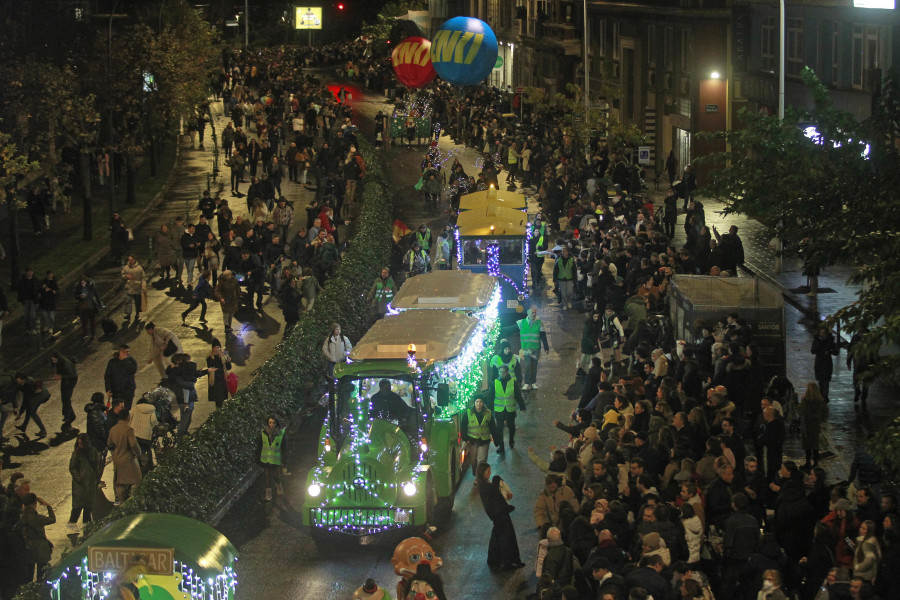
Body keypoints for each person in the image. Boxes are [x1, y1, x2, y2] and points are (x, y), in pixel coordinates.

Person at [476, 462, 524, 570]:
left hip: (499, 515)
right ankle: (508, 561)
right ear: (482, 473)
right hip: (500, 515)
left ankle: (497, 560)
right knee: (505, 538)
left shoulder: (484, 485)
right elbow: (494, 500)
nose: (490, 473)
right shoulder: (485, 487)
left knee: (499, 537)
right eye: (488, 471)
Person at [486, 364, 525, 454]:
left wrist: (522, 407)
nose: (502, 374)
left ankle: (511, 440)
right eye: (500, 372)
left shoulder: (513, 382)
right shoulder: (494, 383)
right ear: (498, 373)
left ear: (507, 373)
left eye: (504, 372)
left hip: (510, 409)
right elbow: (490, 396)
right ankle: (501, 446)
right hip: (499, 410)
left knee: (511, 427)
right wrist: (488, 408)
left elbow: (518, 395)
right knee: (499, 429)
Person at [107, 409, 142, 504]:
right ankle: (133, 503)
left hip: (117, 459)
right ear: (128, 417)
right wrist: (138, 454)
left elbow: (109, 444)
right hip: (128, 459)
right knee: (136, 480)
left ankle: (121, 502)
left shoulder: (113, 429)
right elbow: (133, 444)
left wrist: (115, 454)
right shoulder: (128, 429)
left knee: (120, 482)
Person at [18, 492, 55, 582]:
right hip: (40, 549)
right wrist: (48, 505)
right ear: (35, 504)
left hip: (27, 548)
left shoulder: (21, 517)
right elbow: (52, 519)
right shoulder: (38, 518)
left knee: (28, 575)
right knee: (41, 575)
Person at [67, 433, 100, 531]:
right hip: (80, 484)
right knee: (78, 504)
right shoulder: (76, 453)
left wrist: (96, 477)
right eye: (78, 443)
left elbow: (96, 464)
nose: (80, 445)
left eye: (81, 443)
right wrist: (79, 478)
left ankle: (87, 522)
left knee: (88, 503)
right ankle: (72, 522)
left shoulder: (93, 451)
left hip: (90, 482)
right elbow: (72, 468)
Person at [517, 305, 550, 390]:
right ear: (528, 313)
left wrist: (546, 347)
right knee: (528, 366)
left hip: (535, 349)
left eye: (535, 312)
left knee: (534, 367)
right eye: (532, 312)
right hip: (526, 350)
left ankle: (533, 382)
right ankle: (527, 382)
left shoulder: (539, 323)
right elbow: (512, 329)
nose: (534, 314)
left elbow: (543, 335)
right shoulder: (521, 322)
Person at [461, 396, 495, 476]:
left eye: (480, 402)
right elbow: (463, 425)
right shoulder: (469, 413)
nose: (479, 404)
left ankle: (479, 478)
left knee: (481, 460)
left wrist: (496, 438)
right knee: (473, 460)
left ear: (483, 403)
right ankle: (476, 473)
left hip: (484, 440)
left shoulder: (487, 413)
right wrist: (465, 438)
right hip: (473, 440)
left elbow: (492, 426)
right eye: (477, 402)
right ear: (474, 403)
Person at [798, 382, 827, 470]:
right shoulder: (820, 401)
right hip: (815, 426)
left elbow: (800, 411)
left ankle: (808, 462)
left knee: (807, 445)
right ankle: (815, 462)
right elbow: (825, 413)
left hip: (807, 425)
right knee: (815, 445)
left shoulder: (806, 401)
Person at [14, 373, 50, 437]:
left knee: (32, 412)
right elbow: (26, 399)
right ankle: (24, 426)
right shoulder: (23, 385)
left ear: (22, 379)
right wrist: (20, 413)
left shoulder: (29, 383)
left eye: (18, 379)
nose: (17, 380)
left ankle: (43, 431)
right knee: (30, 409)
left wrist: (20, 413)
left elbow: (26, 400)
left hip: (42, 395)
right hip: (39, 395)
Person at [105, 344, 138, 411]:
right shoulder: (112, 362)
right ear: (120, 352)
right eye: (126, 352)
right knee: (117, 410)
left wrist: (126, 360)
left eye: (128, 352)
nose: (128, 353)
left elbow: (133, 370)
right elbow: (108, 376)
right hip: (116, 391)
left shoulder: (130, 361)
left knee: (126, 410)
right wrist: (108, 389)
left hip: (128, 391)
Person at [259, 415, 285, 501]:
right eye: (270, 422)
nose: (271, 424)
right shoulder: (263, 433)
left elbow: (284, 447)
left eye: (273, 423)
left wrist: (284, 460)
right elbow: (259, 445)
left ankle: (278, 485)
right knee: (267, 477)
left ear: (276, 423)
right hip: (266, 459)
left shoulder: (281, 433)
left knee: (276, 476)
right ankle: (268, 495)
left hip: (276, 459)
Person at [50, 352, 78, 429]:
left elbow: (71, 375)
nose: (53, 362)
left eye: (54, 360)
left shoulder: (66, 364)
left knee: (66, 398)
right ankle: (70, 414)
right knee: (64, 398)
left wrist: (61, 376)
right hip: (65, 380)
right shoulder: (58, 363)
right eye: (52, 360)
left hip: (70, 380)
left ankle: (68, 415)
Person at [811, 327, 839, 402]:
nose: (822, 334)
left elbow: (836, 351)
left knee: (826, 381)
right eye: (821, 333)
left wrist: (829, 352)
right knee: (821, 382)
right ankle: (821, 397)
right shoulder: (817, 340)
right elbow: (813, 351)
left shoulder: (830, 341)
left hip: (827, 363)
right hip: (819, 363)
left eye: (824, 333)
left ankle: (825, 397)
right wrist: (819, 343)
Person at [214, 270, 241, 338]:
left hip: (233, 299)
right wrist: (221, 298)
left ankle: (229, 326)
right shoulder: (221, 282)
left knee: (231, 313)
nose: (229, 277)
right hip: (226, 300)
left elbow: (237, 287)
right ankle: (226, 326)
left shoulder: (233, 279)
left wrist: (239, 295)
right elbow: (217, 291)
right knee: (226, 313)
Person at [207, 340, 232, 409]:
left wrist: (228, 362)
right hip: (214, 380)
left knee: (222, 398)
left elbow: (228, 368)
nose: (216, 349)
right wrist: (222, 358)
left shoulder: (223, 356)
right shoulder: (209, 357)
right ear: (212, 348)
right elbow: (214, 365)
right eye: (215, 347)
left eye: (218, 347)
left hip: (223, 380)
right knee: (218, 400)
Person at [121, 255, 145, 323]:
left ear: (134, 260)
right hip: (129, 287)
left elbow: (143, 278)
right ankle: (128, 314)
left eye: (131, 260)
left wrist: (143, 286)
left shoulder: (139, 268)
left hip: (137, 288)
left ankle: (137, 314)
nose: (130, 261)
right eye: (129, 260)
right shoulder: (126, 268)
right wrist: (126, 276)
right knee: (128, 301)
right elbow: (122, 275)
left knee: (137, 302)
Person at [37, 270, 58, 340]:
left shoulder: (54, 282)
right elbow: (40, 289)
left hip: (51, 302)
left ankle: (51, 327)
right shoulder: (43, 282)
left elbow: (56, 291)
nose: (50, 276)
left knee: (51, 316)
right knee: (45, 315)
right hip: (44, 301)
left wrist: (51, 290)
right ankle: (46, 325)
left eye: (51, 274)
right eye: (49, 274)